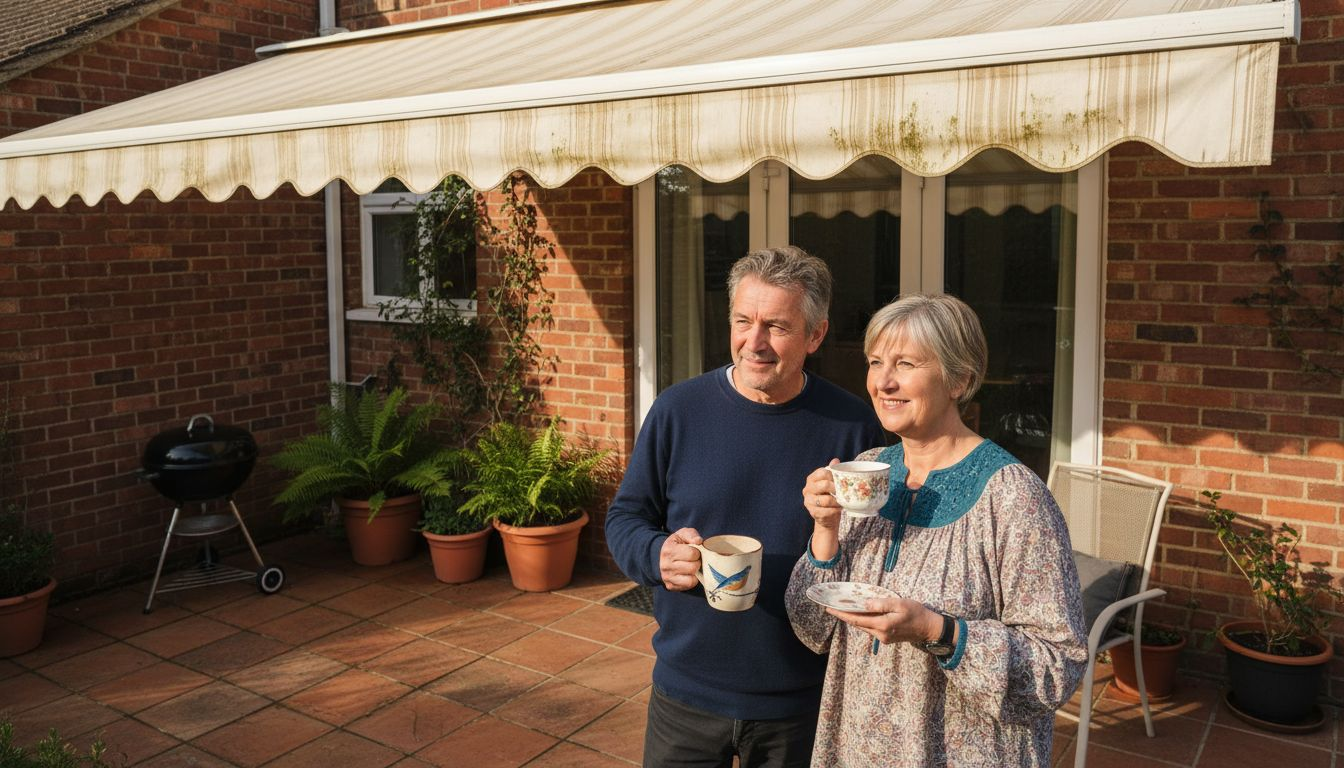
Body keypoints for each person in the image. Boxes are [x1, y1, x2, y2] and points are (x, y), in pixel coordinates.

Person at [605, 246, 885, 768]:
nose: (754, 343)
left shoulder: (853, 427)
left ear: (816, 335)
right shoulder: (677, 411)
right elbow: (625, 518)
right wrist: (655, 553)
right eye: (742, 321)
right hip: (685, 691)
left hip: (800, 701)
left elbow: (875, 555)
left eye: (776, 326)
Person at [785, 293, 1087, 767]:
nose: (883, 382)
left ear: (960, 379)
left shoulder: (1013, 498)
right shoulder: (866, 471)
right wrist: (825, 528)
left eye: (905, 363)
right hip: (857, 750)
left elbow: (1058, 667)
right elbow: (811, 628)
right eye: (876, 362)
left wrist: (937, 630)